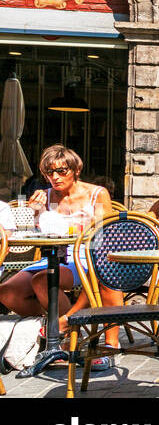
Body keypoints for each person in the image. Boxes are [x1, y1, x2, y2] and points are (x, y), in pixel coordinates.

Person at [0, 146, 115, 367]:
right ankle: (61, 325)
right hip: (54, 255)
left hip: (84, 258)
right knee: (7, 292)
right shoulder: (48, 196)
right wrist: (36, 211)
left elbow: (103, 234)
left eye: (62, 171)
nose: (55, 177)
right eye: (49, 173)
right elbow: (38, 231)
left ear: (75, 170)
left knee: (43, 280)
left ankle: (65, 330)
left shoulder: (96, 194)